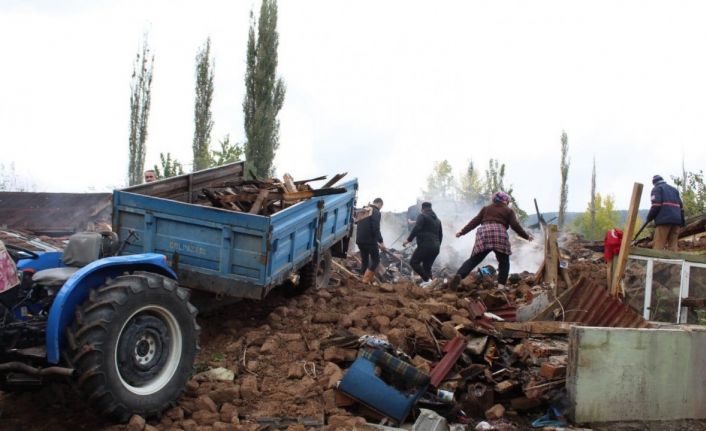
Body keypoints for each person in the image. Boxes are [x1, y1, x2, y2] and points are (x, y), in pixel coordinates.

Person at [449, 191, 533, 291]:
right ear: (505, 201)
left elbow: (475, 222)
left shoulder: (486, 208)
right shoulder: (508, 210)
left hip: (484, 232)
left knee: (475, 259)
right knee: (504, 261)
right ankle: (501, 286)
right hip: (499, 232)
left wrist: (462, 232)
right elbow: (515, 226)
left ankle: (458, 276)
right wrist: (526, 236)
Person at [403, 201, 442, 288]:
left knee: (414, 262)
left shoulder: (422, 216)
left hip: (425, 245)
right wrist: (438, 245)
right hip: (436, 247)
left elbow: (417, 228)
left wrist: (408, 240)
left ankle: (427, 279)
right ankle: (431, 285)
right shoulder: (438, 220)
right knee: (427, 266)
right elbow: (440, 235)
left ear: (422, 209)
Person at [646, 175, 684, 251]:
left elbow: (656, 205)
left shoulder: (656, 189)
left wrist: (649, 218)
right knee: (673, 246)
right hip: (676, 221)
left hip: (664, 220)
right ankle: (673, 263)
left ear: (654, 183)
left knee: (658, 245)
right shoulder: (674, 190)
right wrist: (682, 221)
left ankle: (656, 262)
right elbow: (681, 206)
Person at [356, 198, 386, 284]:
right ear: (380, 204)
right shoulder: (375, 211)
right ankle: (365, 280)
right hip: (369, 241)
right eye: (381, 206)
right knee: (376, 260)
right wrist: (381, 242)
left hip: (360, 240)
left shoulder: (364, 210)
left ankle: (362, 277)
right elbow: (375, 228)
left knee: (365, 260)